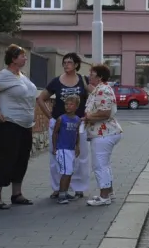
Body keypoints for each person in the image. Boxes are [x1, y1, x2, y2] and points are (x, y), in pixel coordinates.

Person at [0, 44, 38, 210]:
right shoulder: (3, 76)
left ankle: (17, 194)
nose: (25, 58)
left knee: (21, 160)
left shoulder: (22, 76)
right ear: (13, 59)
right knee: (7, 160)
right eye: (22, 56)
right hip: (9, 125)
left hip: (25, 125)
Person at [36, 52, 91, 200]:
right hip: (60, 124)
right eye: (65, 62)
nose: (66, 65)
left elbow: (94, 96)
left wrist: (89, 115)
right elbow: (40, 98)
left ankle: (79, 188)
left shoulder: (83, 80)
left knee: (80, 156)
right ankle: (57, 188)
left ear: (76, 65)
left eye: (70, 62)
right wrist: (50, 117)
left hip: (79, 123)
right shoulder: (56, 82)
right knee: (56, 156)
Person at [83, 63, 123, 207]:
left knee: (100, 165)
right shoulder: (100, 89)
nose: (89, 76)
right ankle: (109, 193)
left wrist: (87, 118)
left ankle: (104, 196)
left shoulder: (102, 90)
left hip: (104, 133)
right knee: (104, 164)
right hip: (104, 132)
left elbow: (104, 113)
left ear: (99, 77)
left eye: (92, 74)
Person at [52, 96, 82, 204]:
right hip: (63, 149)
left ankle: (65, 192)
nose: (68, 106)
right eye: (66, 104)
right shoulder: (61, 119)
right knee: (66, 172)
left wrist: (77, 146)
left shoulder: (78, 120)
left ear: (76, 106)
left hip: (71, 149)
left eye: (71, 104)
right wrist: (55, 147)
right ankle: (61, 195)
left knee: (70, 172)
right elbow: (55, 133)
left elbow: (77, 134)